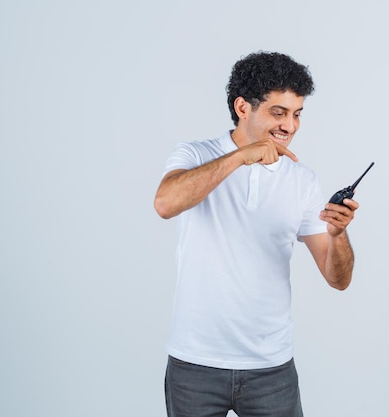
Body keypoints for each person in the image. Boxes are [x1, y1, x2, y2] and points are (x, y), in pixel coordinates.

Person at [154, 51, 359, 417]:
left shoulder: (303, 181)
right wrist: (241, 156)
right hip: (195, 363)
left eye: (297, 114)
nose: (290, 126)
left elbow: (337, 278)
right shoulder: (196, 154)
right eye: (278, 113)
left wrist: (338, 234)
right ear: (243, 107)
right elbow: (165, 203)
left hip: (271, 368)